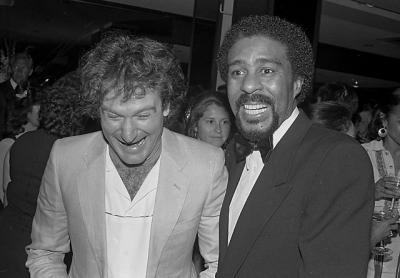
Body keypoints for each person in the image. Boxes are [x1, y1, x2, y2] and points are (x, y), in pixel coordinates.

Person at [26, 34, 227, 278]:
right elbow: (45, 252)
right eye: (114, 116)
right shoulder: (65, 158)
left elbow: (221, 264)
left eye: (142, 116)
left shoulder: (205, 165)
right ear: (96, 109)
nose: (128, 134)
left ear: (166, 106)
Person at [215, 15, 375, 278]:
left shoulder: (337, 158)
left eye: (266, 70)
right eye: (237, 72)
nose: (248, 84)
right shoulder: (232, 153)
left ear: (297, 84)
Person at [0, 71, 86, 277]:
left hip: (7, 235)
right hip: (41, 251)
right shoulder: (72, 153)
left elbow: (6, 191)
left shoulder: (22, 141)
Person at [362, 88, 400, 278]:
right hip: (363, 255)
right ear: (384, 120)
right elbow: (335, 203)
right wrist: (372, 192)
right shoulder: (362, 154)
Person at [0, 100, 40, 206]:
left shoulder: (37, 141)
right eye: (39, 112)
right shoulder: (8, 143)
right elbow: (4, 187)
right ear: (26, 113)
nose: (43, 115)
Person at [0, 52, 34, 139]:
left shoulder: (36, 93)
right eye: (16, 66)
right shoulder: (1, 90)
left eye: (24, 67)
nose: (19, 71)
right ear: (11, 69)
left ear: (30, 71)